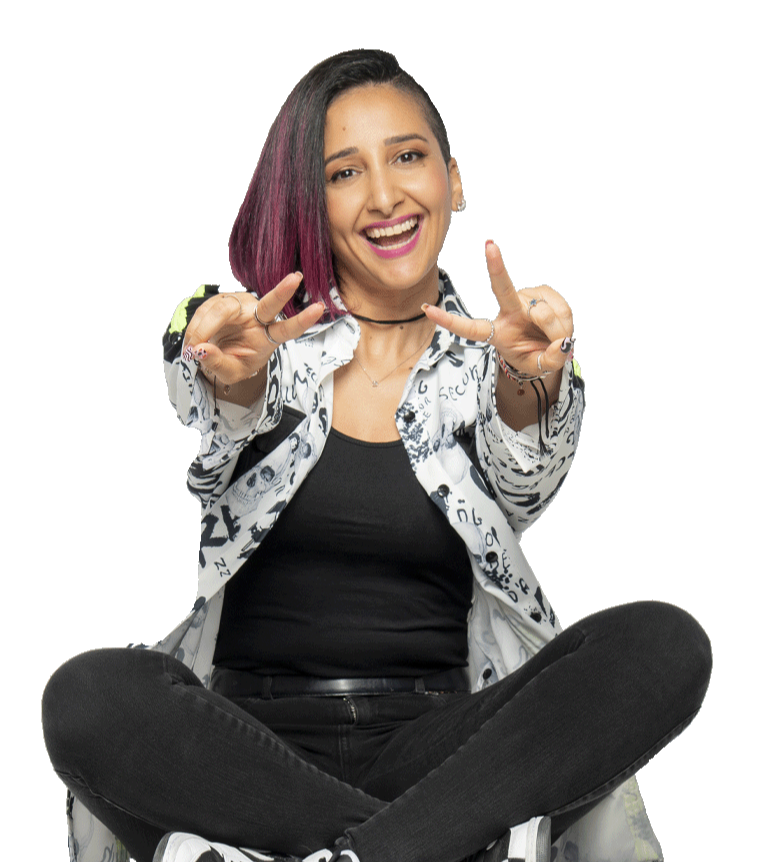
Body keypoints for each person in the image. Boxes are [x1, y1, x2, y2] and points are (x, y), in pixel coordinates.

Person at [41, 49, 712, 863]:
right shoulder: (266, 344)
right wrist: (220, 362)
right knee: (86, 694)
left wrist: (528, 378)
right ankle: (440, 847)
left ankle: (327, 853)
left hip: (445, 746)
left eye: (407, 156)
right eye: (344, 172)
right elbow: (210, 393)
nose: (385, 195)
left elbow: (525, 481)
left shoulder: (498, 361)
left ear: (453, 181)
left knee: (663, 642)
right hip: (245, 747)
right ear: (313, 203)